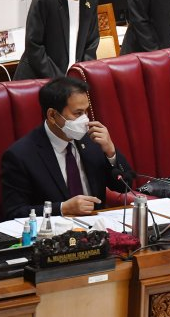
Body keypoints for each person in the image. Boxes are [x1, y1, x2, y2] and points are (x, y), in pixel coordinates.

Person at [2, 77, 132, 220]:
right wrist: (62, 208)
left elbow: (124, 188)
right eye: (77, 113)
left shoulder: (92, 140)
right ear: (52, 115)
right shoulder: (21, 156)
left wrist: (111, 152)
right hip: (53, 235)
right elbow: (14, 212)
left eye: (86, 112)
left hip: (98, 229)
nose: (85, 120)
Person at [14, 0, 99, 80]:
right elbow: (33, 44)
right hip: (39, 80)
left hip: (73, 86)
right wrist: (62, 81)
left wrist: (82, 75)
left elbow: (91, 42)